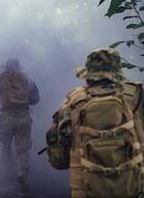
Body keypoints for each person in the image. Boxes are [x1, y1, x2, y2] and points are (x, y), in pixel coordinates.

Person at [46, 48, 144, 198]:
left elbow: (59, 160)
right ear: (118, 71)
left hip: (87, 191)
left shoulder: (72, 103)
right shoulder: (138, 96)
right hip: (135, 189)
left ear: (88, 74)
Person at [0, 58, 39, 191]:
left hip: (7, 118)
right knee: (22, 149)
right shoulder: (27, 79)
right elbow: (36, 99)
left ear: (6, 67)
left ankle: (6, 176)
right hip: (24, 117)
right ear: (19, 67)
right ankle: (21, 174)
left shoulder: (1, 78)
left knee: (5, 146)